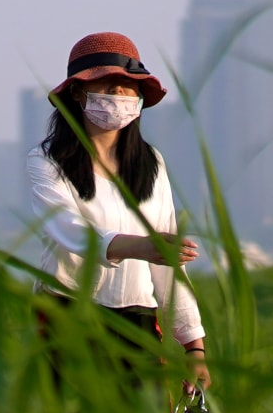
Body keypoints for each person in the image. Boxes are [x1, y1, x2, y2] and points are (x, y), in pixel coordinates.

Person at [26, 32, 210, 389]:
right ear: (79, 93)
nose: (121, 98)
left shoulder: (151, 164)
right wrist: (140, 247)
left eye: (129, 89)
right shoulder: (47, 161)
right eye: (110, 88)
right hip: (67, 316)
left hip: (136, 321)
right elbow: (69, 230)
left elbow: (166, 262)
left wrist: (193, 347)